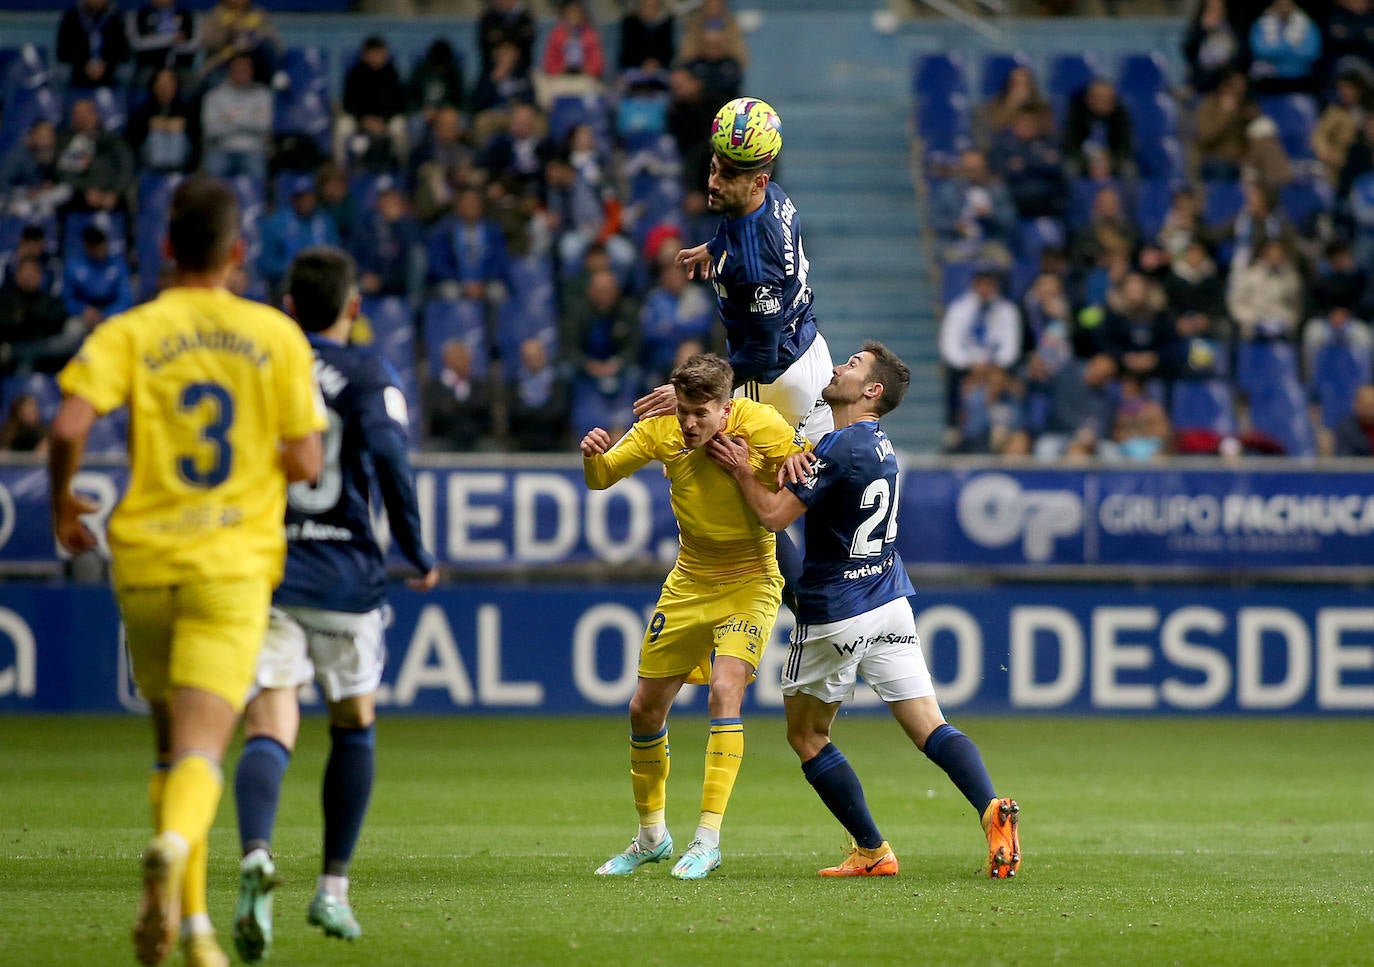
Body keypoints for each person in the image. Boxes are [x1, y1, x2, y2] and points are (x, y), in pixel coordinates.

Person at [47, 175, 325, 967]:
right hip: (229, 564)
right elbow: (305, 458)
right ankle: (171, 845)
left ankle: (194, 928)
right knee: (205, 747)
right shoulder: (273, 334)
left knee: (171, 745)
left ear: (166, 248)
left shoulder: (133, 329)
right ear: (238, 253)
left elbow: (68, 423)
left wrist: (64, 503)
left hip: (144, 558)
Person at [704, 342, 1021, 879]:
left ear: (872, 391)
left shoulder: (841, 446)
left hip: (837, 611)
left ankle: (872, 851)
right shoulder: (877, 446)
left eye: (850, 366)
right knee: (930, 726)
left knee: (806, 736)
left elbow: (776, 516)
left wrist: (740, 470)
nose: (835, 369)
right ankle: (991, 807)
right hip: (890, 600)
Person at [230, 246, 438, 962]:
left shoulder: (264, 368)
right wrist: (414, 547)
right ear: (353, 309)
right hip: (348, 576)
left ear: (289, 308)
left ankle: (257, 850)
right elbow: (388, 454)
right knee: (353, 723)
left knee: (271, 716)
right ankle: (331, 887)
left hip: (274, 570)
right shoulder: (369, 370)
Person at [582, 352, 804, 881]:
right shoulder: (662, 429)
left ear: (728, 409)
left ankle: (708, 840)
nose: (688, 423)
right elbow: (602, 477)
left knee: (724, 691)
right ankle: (652, 838)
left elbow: (810, 466)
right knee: (643, 709)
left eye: (700, 412)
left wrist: (797, 464)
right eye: (682, 409)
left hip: (751, 578)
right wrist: (592, 456)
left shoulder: (766, 429)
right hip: (689, 580)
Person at [634, 98, 834, 610]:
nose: (715, 181)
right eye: (715, 166)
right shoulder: (770, 198)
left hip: (774, 376)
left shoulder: (755, 261)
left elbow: (762, 352)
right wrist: (715, 250)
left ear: (759, 180)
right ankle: (843, 596)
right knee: (818, 484)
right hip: (810, 347)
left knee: (750, 496)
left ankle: (807, 613)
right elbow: (742, 230)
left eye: (729, 174)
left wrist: (692, 390)